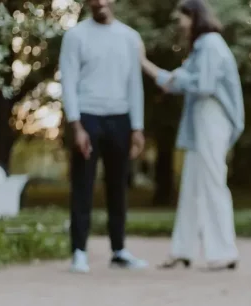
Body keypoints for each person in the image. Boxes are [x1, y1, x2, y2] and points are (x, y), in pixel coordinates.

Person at [140, 0, 244, 271]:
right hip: (202, 120)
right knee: (192, 186)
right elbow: (176, 82)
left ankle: (224, 252)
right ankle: (182, 250)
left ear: (194, 17)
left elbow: (203, 85)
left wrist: (173, 76)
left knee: (212, 183)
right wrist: (147, 65)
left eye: (182, 19)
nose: (180, 25)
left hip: (212, 117)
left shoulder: (210, 44)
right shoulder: (202, 48)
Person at [59, 0, 148, 273]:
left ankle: (119, 250)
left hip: (120, 118)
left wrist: (137, 127)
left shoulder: (130, 37)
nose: (99, 2)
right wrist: (76, 126)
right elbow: (68, 82)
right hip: (87, 117)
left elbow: (135, 84)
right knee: (83, 185)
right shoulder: (75, 36)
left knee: (118, 186)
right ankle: (79, 252)